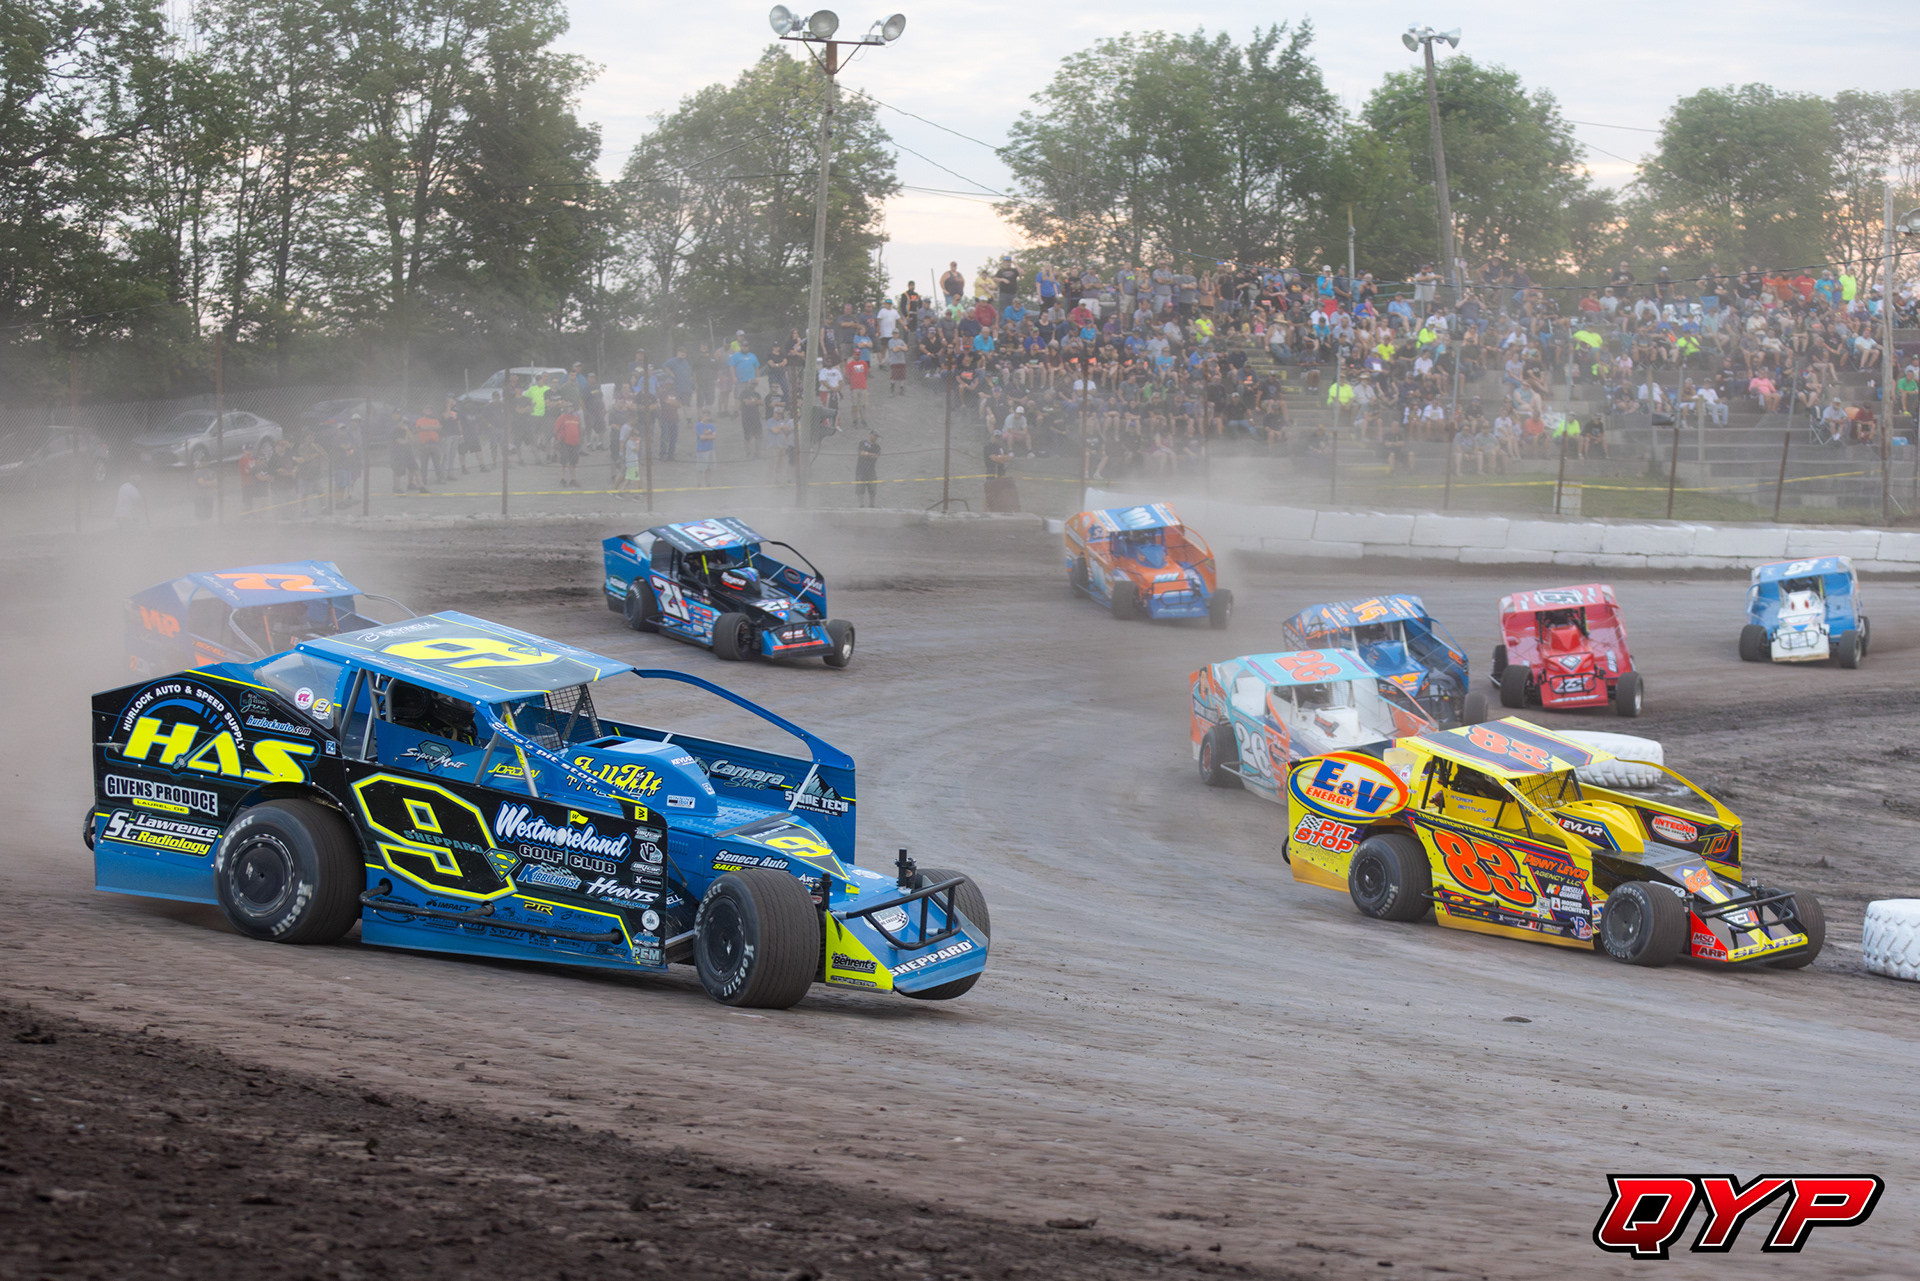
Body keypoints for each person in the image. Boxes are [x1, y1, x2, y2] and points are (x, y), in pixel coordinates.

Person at [552, 401, 582, 487]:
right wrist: (557, 440)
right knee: (563, 462)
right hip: (564, 443)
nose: (571, 408)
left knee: (573, 463)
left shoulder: (576, 418)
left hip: (574, 443)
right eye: (569, 406)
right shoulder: (562, 417)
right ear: (565, 408)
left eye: (572, 406)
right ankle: (563, 479)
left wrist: (579, 441)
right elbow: (555, 430)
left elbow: (579, 429)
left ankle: (573, 479)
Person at [855, 430, 880, 507]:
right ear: (870, 435)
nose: (875, 438)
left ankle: (872, 504)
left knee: (872, 488)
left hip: (871, 470)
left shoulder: (877, 447)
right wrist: (869, 454)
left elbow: (876, 456)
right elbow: (861, 453)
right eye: (874, 435)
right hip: (860, 470)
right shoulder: (863, 443)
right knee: (860, 488)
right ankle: (861, 505)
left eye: (876, 436)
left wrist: (867, 454)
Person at [694, 416, 716, 486]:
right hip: (702, 450)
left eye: (708, 416)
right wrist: (709, 437)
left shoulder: (711, 425)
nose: (707, 418)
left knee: (709, 467)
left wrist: (705, 437)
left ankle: (708, 483)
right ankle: (699, 483)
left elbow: (713, 437)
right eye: (705, 416)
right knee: (700, 468)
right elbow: (701, 437)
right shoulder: (698, 425)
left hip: (710, 449)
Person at [192, 455, 216, 521]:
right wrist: (211, 483)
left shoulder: (210, 472)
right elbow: (202, 483)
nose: (203, 464)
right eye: (202, 462)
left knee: (209, 512)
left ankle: (207, 520)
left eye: (205, 462)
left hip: (209, 494)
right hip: (199, 495)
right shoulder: (197, 472)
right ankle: (200, 523)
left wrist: (207, 483)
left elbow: (216, 483)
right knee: (200, 513)